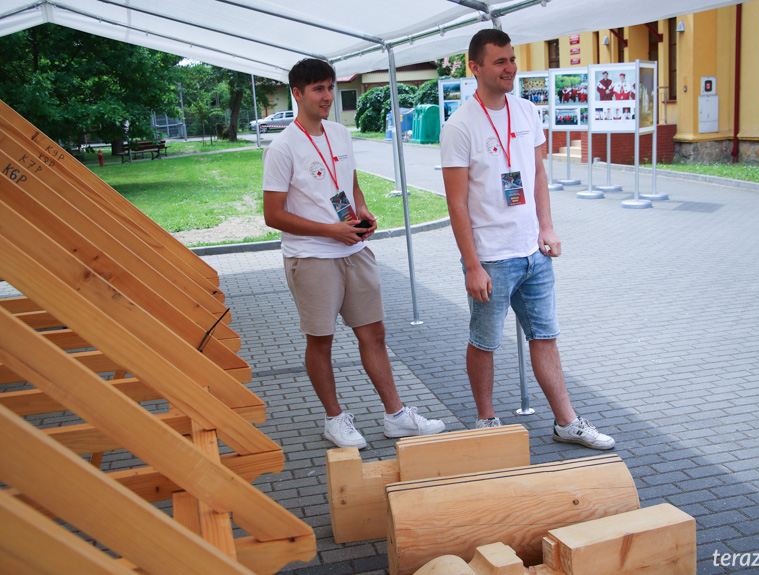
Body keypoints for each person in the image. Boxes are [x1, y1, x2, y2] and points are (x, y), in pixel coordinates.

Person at [439, 30, 615, 450]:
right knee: (485, 342)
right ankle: (486, 420)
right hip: (491, 258)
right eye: (499, 61)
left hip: (533, 252)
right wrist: (473, 264)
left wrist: (547, 228)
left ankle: (566, 422)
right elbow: (456, 203)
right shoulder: (459, 125)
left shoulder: (526, 112)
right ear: (475, 67)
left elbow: (537, 177)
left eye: (512, 59)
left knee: (545, 335)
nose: (510, 68)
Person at [262, 58, 445, 449]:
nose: (327, 96)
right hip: (311, 256)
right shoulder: (281, 148)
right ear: (297, 93)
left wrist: (361, 212)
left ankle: (396, 416)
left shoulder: (340, 134)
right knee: (321, 340)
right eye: (318, 89)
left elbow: (351, 184)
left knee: (374, 333)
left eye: (330, 87)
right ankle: (335, 418)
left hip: (354, 249)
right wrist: (331, 230)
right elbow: (272, 215)